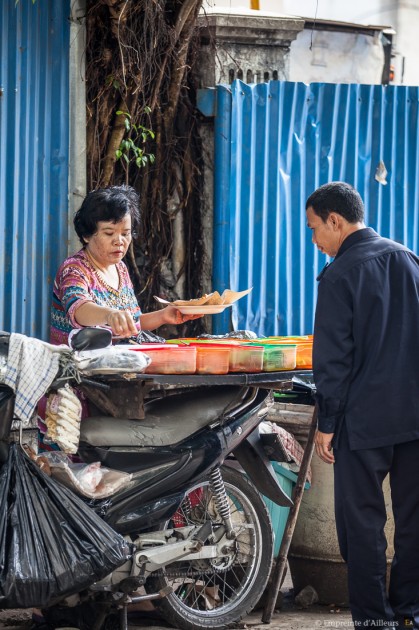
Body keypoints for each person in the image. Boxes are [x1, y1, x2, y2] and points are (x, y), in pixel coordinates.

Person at [306, 181, 419, 629]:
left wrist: (327, 425)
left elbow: (332, 361)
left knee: (363, 524)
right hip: (413, 416)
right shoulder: (407, 259)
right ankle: (409, 613)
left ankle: (375, 621)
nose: (315, 240)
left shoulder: (340, 274)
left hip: (363, 421)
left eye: (315, 228)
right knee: (414, 521)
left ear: (335, 221)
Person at [50, 185, 200, 345]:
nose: (119, 241)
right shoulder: (74, 269)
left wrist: (164, 315)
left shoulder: (120, 268)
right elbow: (78, 309)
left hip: (117, 363)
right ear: (87, 235)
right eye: (109, 233)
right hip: (78, 366)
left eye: (125, 233)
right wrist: (110, 315)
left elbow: (132, 323)